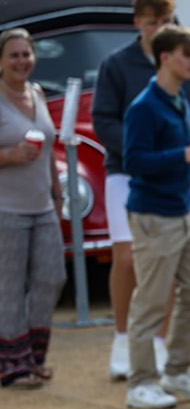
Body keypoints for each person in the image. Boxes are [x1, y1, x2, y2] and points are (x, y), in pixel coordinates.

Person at [91, 0, 190, 381]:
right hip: (129, 172)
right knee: (129, 259)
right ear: (138, 24)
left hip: (175, 173)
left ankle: (162, 347)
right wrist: (158, 144)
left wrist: (178, 140)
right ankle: (123, 339)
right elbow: (106, 122)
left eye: (166, 20)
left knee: (176, 270)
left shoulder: (187, 68)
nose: (160, 26)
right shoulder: (118, 66)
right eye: (153, 22)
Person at [119, 24, 190, 409]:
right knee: (152, 301)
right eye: (186, 55)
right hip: (153, 216)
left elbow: (174, 151)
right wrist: (184, 156)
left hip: (183, 211)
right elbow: (134, 161)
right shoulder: (144, 106)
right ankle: (140, 383)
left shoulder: (180, 100)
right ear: (165, 58)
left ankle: (178, 370)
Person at [0, 28, 64, 388]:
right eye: (13, 55)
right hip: (6, 208)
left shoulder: (37, 94)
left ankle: (33, 356)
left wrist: (57, 192)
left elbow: (50, 151)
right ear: (0, 61)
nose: (22, 61)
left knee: (52, 277)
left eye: (26, 54)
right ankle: (13, 365)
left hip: (43, 206)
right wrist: (9, 155)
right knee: (8, 286)